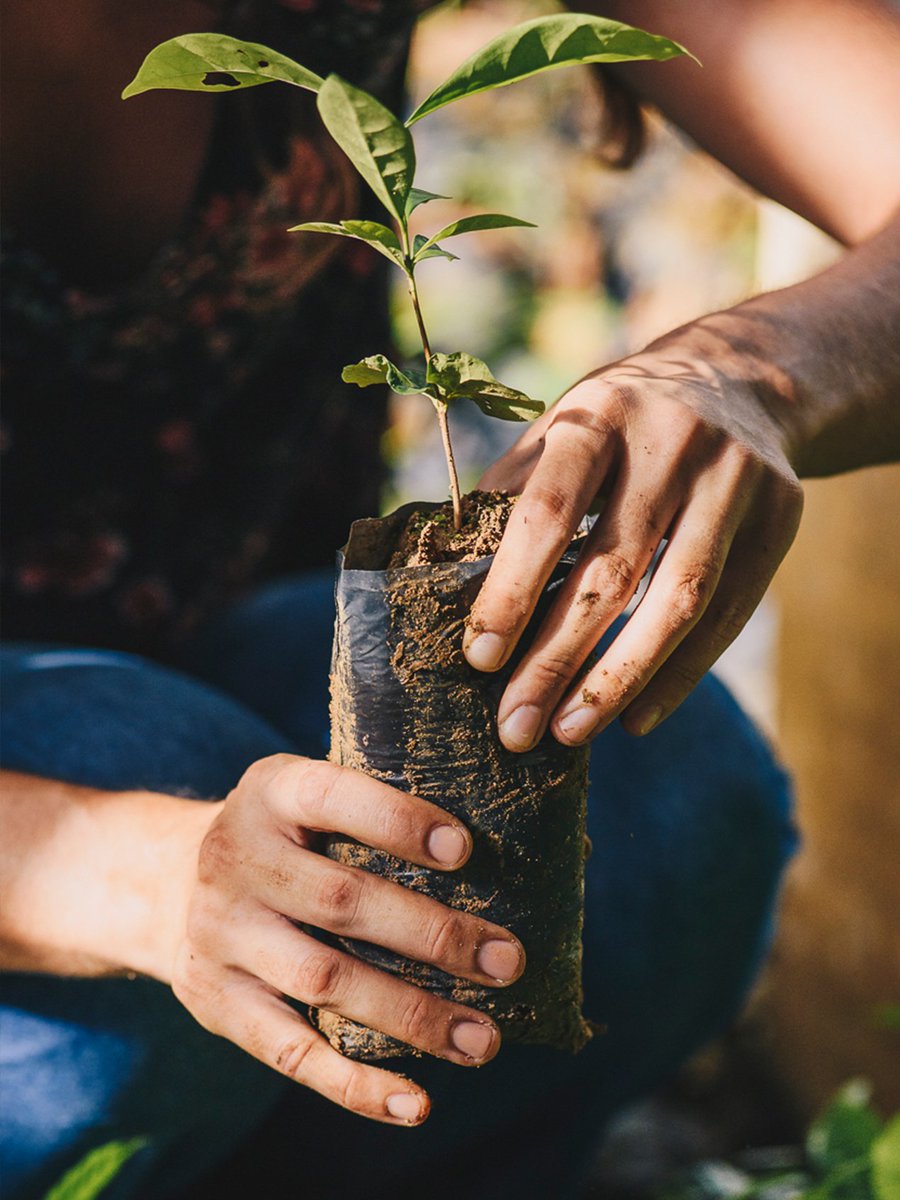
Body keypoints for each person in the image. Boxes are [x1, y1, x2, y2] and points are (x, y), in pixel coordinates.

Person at [0, 1, 897, 1197]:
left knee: (658, 800)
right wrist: (138, 880)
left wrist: (754, 373)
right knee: (157, 847)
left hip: (231, 622)